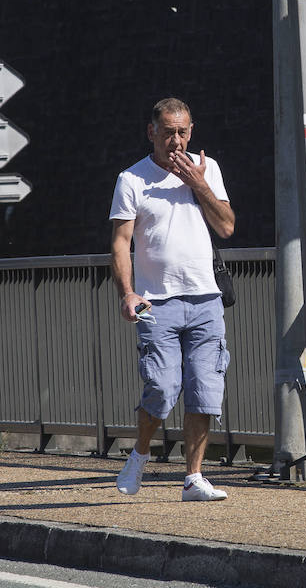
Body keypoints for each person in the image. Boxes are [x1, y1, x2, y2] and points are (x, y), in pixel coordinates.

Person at [109, 97, 235, 502]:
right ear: (152, 132)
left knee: (204, 391)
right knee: (162, 388)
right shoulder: (132, 179)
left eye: (182, 132)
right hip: (155, 303)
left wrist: (198, 183)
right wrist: (128, 293)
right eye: (167, 133)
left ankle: (193, 478)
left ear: (191, 131)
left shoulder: (208, 169)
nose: (176, 141)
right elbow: (121, 243)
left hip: (205, 299)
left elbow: (227, 227)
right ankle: (140, 457)